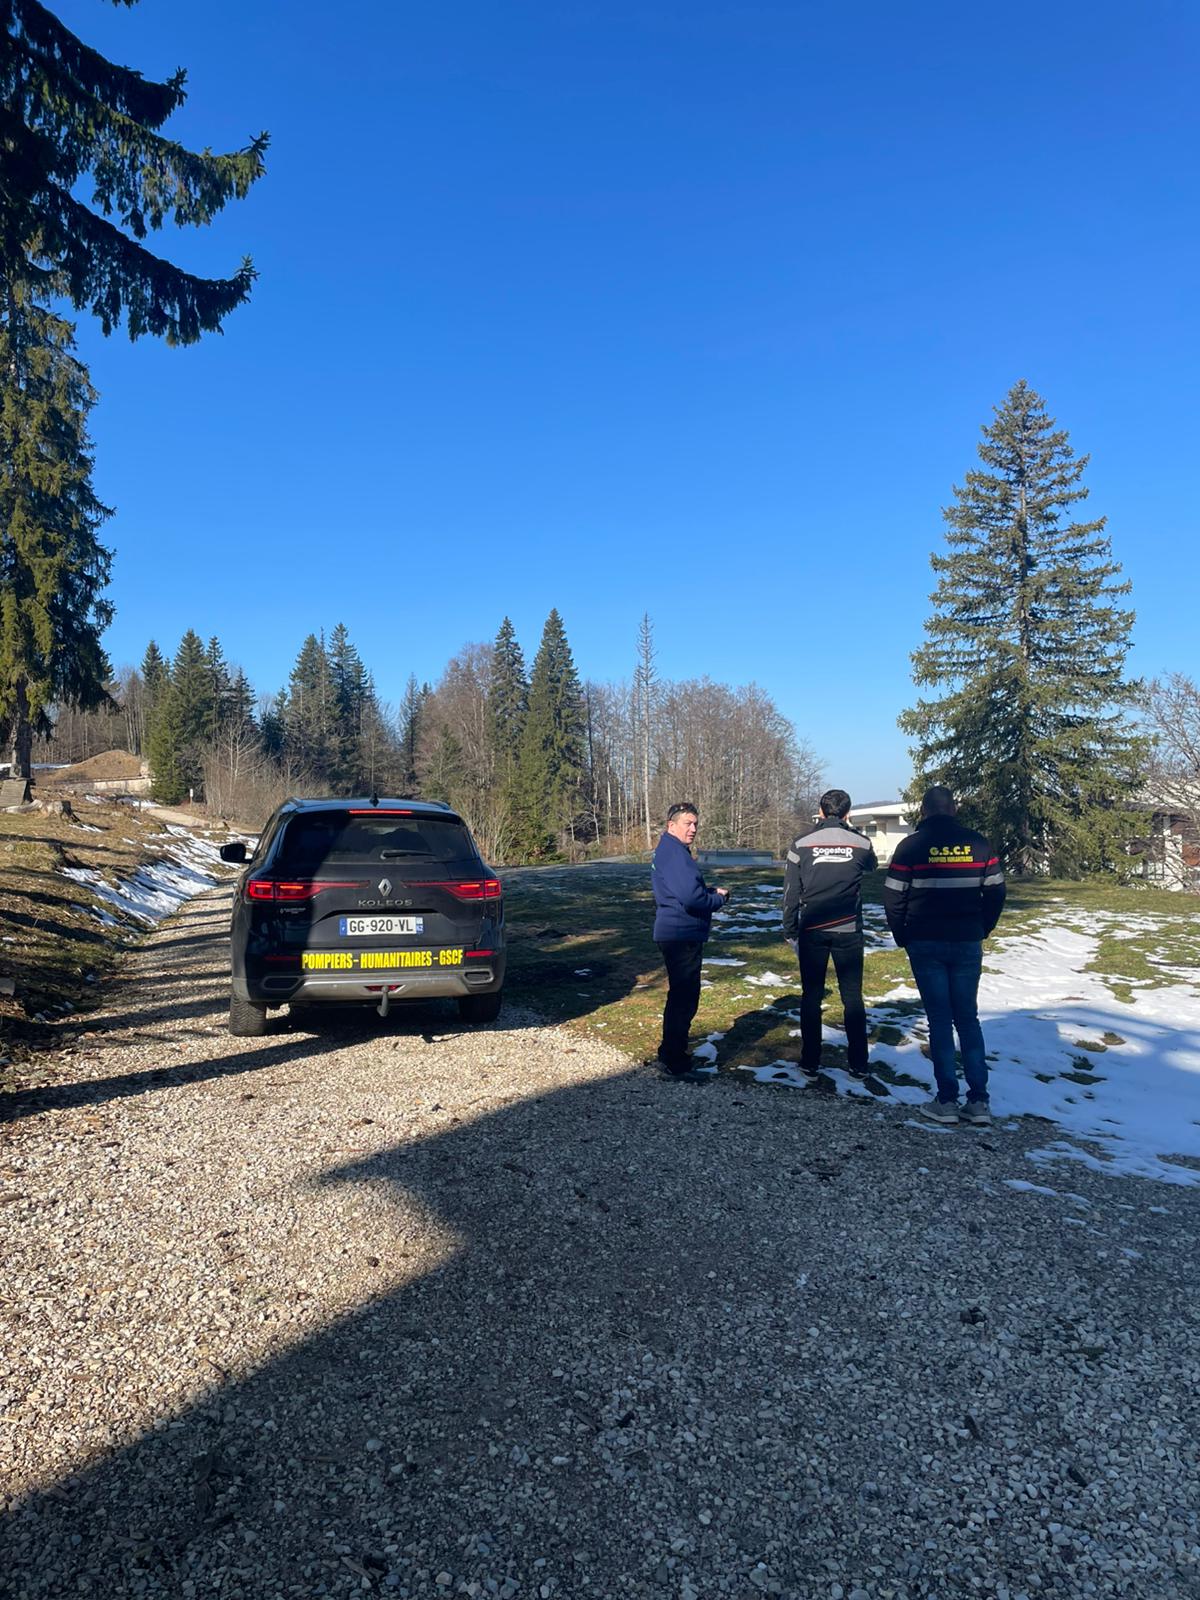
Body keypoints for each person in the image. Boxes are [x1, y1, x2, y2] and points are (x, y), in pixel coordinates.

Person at [882, 786, 1006, 1126]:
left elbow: (893, 897)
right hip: (967, 939)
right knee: (968, 1019)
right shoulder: (978, 844)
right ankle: (979, 1102)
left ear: (923, 812)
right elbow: (996, 891)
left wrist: (902, 934)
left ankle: (946, 1100)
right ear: (953, 808)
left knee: (938, 1020)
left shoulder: (911, 847)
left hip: (925, 941)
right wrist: (983, 927)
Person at [782, 788, 877, 1079]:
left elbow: (791, 891)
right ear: (847, 813)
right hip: (849, 928)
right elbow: (871, 867)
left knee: (811, 996)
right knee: (852, 997)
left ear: (820, 812)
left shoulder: (801, 843)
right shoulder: (861, 843)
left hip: (812, 928)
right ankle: (858, 1064)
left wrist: (790, 928)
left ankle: (810, 1062)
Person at [651, 802, 729, 1081]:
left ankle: (671, 1054)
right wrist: (718, 898)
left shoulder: (672, 851)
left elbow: (686, 890)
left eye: (696, 824)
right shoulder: (674, 853)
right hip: (680, 935)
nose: (693, 829)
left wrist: (708, 890)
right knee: (684, 1000)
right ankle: (675, 1061)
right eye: (688, 823)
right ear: (672, 825)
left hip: (677, 933)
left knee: (681, 998)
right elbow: (691, 898)